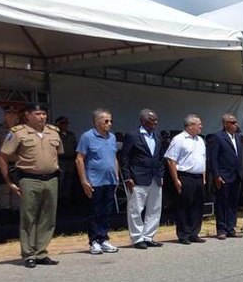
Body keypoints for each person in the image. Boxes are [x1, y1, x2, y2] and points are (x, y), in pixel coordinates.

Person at [0, 103, 62, 268]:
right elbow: (3, 157)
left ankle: (41, 252)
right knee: (29, 217)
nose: (42, 117)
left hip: (51, 179)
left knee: (48, 217)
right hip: (29, 179)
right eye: (38, 113)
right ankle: (29, 254)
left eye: (44, 114)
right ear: (27, 115)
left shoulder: (53, 132)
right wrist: (9, 181)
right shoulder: (18, 133)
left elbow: (57, 155)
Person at [75, 108, 120, 255]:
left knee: (107, 211)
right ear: (97, 121)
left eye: (111, 121)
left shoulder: (112, 137)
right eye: (106, 121)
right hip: (94, 181)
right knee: (94, 211)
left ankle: (104, 238)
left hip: (110, 180)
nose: (109, 124)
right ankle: (94, 240)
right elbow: (79, 159)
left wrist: (117, 175)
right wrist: (83, 180)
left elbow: (114, 157)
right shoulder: (87, 136)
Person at [120, 109, 165, 250]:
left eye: (156, 120)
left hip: (155, 177)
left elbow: (160, 157)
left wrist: (161, 174)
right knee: (136, 209)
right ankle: (137, 238)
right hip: (138, 177)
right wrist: (127, 177)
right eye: (153, 120)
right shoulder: (133, 135)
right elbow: (124, 157)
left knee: (155, 208)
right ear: (144, 121)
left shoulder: (157, 135)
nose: (156, 122)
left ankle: (148, 236)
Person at [165, 114, 207, 244]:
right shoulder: (179, 139)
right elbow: (171, 160)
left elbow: (203, 159)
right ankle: (184, 234)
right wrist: (176, 180)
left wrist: (204, 177)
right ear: (190, 126)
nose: (201, 126)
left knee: (197, 206)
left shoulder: (200, 140)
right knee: (184, 206)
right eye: (198, 124)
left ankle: (194, 233)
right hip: (185, 176)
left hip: (198, 176)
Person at [209, 113, 243, 240]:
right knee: (222, 203)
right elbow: (213, 158)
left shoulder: (238, 137)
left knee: (233, 204)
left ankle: (231, 227)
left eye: (235, 122)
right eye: (232, 122)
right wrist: (216, 175)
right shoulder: (218, 137)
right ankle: (221, 229)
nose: (235, 125)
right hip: (223, 175)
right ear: (225, 124)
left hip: (236, 175)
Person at [0, 105, 22, 223]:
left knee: (18, 190)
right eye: (8, 113)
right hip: (2, 164)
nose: (11, 116)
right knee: (4, 190)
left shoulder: (22, 130)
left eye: (14, 113)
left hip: (18, 164)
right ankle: (5, 215)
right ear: (4, 116)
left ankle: (16, 214)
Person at [55, 116, 78, 207]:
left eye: (66, 124)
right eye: (63, 124)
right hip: (61, 161)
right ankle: (59, 201)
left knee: (69, 182)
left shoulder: (70, 134)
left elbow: (75, 146)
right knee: (60, 182)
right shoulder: (56, 134)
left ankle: (67, 201)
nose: (65, 126)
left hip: (70, 161)